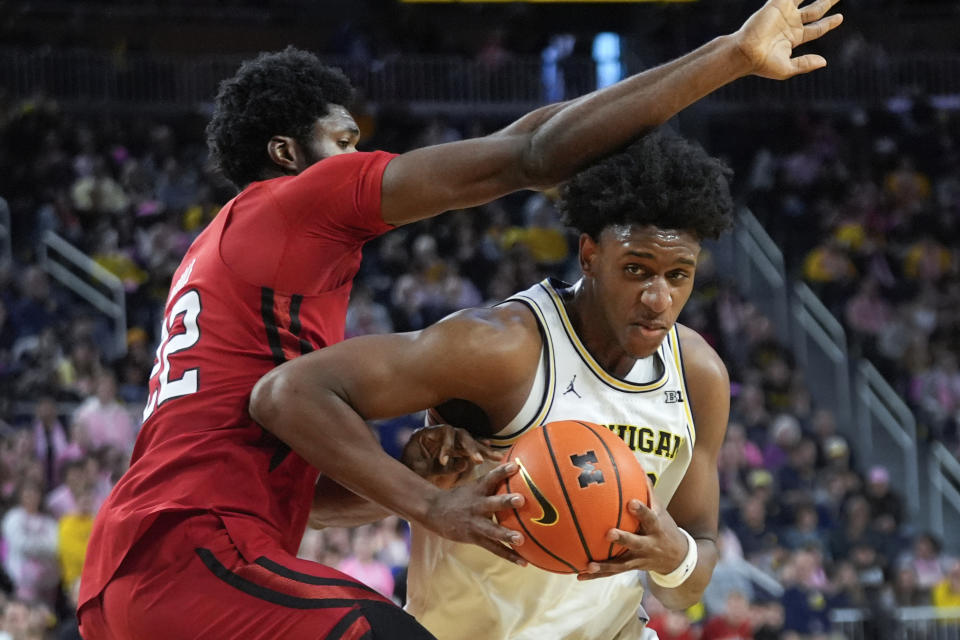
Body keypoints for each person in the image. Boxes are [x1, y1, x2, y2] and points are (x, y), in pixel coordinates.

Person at [78, 0, 843, 636]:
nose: (362, 156)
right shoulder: (292, 202)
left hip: (162, 561)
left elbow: (520, 142)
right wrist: (730, 57)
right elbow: (534, 158)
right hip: (191, 552)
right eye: (344, 143)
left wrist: (414, 479)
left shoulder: (238, 261)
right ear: (286, 152)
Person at [252, 130, 733, 638]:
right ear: (589, 254)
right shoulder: (500, 349)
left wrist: (675, 556)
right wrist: (428, 501)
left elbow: (686, 588)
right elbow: (287, 394)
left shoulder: (698, 376)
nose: (658, 299)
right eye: (636, 269)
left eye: (679, 275)